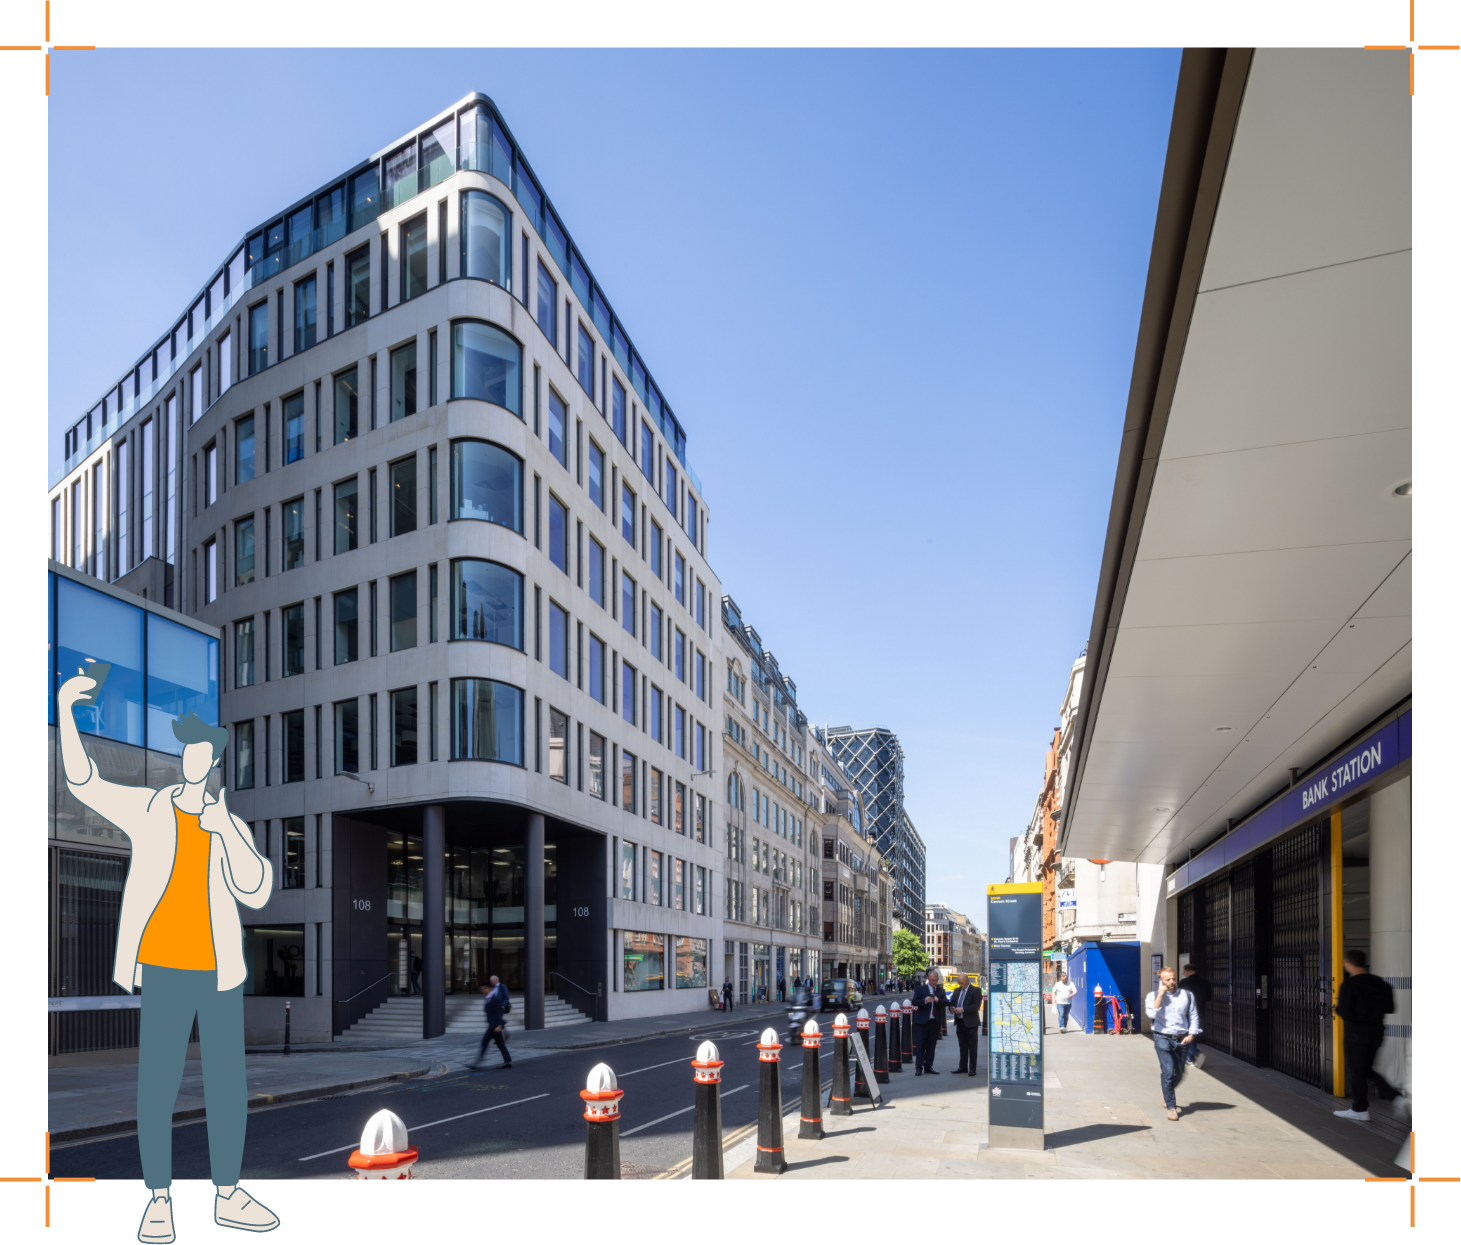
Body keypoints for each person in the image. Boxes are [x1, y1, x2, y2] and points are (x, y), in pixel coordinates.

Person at [56, 676, 280, 1241]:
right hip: (162, 965)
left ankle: (227, 1194)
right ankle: (159, 1199)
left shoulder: (227, 822)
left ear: (214, 761)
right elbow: (84, 782)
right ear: (183, 757)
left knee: (227, 1084)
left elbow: (256, 889)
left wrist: (225, 828)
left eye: (202, 750)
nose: (192, 757)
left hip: (219, 971)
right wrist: (64, 708)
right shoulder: (150, 809)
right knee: (157, 1085)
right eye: (187, 749)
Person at [1334, 949, 1400, 1122]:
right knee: (1367, 1069)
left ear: (1348, 963)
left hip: (1355, 1033)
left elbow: (1342, 1010)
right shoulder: (1382, 984)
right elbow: (1391, 1008)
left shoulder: (1349, 985)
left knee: (1356, 1071)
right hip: (1376, 1032)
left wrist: (1337, 1005)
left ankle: (1360, 1109)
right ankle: (1395, 1098)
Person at [1145, 967, 1199, 1120]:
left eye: (1173, 978)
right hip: (1162, 1037)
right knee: (1168, 1072)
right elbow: (1151, 1014)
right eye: (1167, 979)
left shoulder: (1187, 995)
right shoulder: (1153, 996)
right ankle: (1172, 1107)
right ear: (1161, 980)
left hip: (1182, 1038)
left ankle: (1166, 1090)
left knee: (1180, 1073)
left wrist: (1192, 1034)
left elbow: (1193, 1014)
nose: (1171, 982)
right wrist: (1161, 995)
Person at [910, 968, 949, 1075]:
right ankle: (918, 1067)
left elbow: (946, 1002)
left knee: (931, 1045)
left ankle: (929, 1066)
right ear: (928, 979)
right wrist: (925, 1001)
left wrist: (938, 1000)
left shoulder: (940, 991)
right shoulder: (921, 989)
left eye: (936, 980)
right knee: (920, 1046)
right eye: (932, 980)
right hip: (922, 1022)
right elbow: (914, 1001)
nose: (934, 982)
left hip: (934, 1022)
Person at [471, 975, 512, 1070]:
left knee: (484, 1042)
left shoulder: (495, 998)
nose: (483, 991)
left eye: (484, 989)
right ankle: (508, 1061)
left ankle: (476, 1063)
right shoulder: (488, 998)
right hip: (493, 1025)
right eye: (482, 989)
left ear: (489, 988)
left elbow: (498, 1012)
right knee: (500, 1044)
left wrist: (500, 1025)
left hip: (494, 1027)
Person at [951, 973, 983, 1076]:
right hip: (960, 1022)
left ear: (967, 981)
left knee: (972, 1047)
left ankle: (972, 1069)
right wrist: (952, 1008)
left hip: (971, 1023)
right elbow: (952, 1002)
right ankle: (962, 1067)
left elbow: (976, 1006)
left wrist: (963, 1009)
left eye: (962, 983)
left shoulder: (975, 990)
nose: (961, 985)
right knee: (962, 1046)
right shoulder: (956, 991)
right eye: (959, 983)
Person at [1179, 964, 1209, 1067]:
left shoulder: (1184, 982)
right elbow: (1209, 997)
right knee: (1192, 1034)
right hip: (1200, 1011)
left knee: (1186, 1035)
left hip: (1186, 1013)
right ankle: (1190, 1058)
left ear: (1187, 971)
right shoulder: (1205, 982)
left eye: (1184, 972)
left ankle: (1196, 1053)